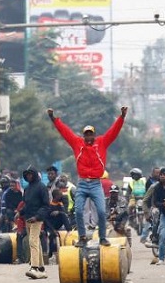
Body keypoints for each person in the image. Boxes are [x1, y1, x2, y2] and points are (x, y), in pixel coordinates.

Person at [48, 106, 127, 247]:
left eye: (91, 134)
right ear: (83, 136)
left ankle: (103, 237)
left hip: (96, 183)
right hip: (83, 183)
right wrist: (54, 119)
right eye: (86, 134)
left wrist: (121, 117)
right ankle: (82, 237)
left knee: (102, 212)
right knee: (78, 211)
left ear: (94, 135)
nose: (89, 137)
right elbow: (65, 131)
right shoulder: (77, 143)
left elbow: (114, 131)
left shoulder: (102, 142)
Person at [20, 166, 49, 279]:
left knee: (32, 241)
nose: (29, 176)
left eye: (30, 174)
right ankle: (41, 268)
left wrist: (37, 217)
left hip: (37, 219)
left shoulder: (42, 187)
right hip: (28, 219)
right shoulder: (27, 188)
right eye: (27, 175)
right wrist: (21, 212)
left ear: (35, 174)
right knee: (36, 242)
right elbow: (27, 204)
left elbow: (46, 205)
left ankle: (34, 267)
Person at [45, 188, 71, 263]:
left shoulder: (60, 204)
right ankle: (50, 254)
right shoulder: (49, 206)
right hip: (50, 225)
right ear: (56, 196)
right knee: (52, 236)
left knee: (63, 215)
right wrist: (53, 229)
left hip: (57, 223)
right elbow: (46, 220)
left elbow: (64, 214)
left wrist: (59, 212)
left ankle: (69, 230)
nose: (61, 196)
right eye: (60, 195)